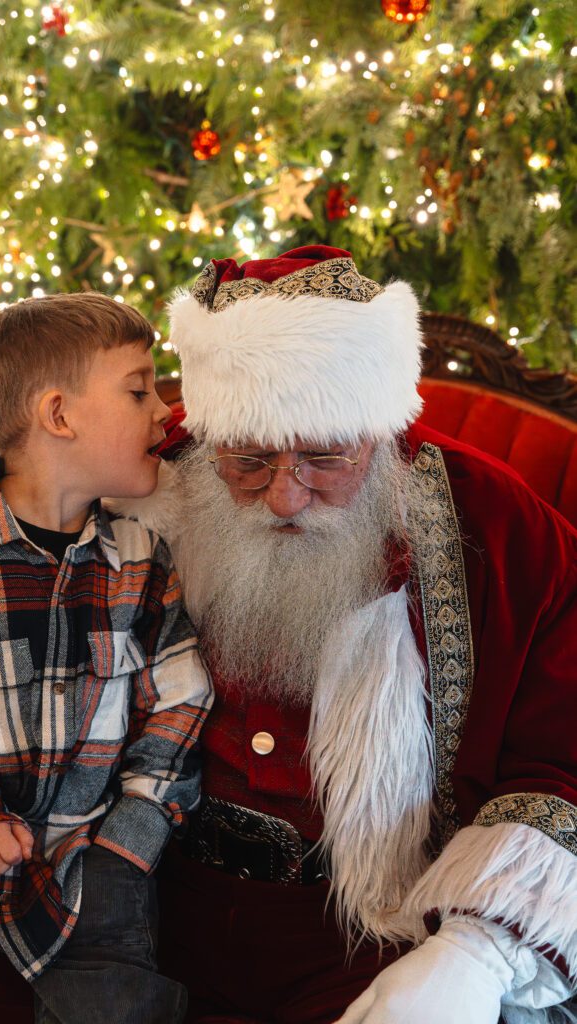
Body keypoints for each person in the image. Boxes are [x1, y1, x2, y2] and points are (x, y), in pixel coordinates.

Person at [117, 246, 577, 1024]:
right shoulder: (140, 493)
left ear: (378, 430)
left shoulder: (493, 524)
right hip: (143, 903)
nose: (285, 496)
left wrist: (477, 949)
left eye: (325, 456)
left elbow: (562, 748)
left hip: (373, 933)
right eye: (250, 460)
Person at [0, 292, 213, 1024]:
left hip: (97, 885)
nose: (165, 411)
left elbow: (183, 701)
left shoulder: (141, 559)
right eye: (138, 389)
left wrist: (129, 841)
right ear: (58, 415)